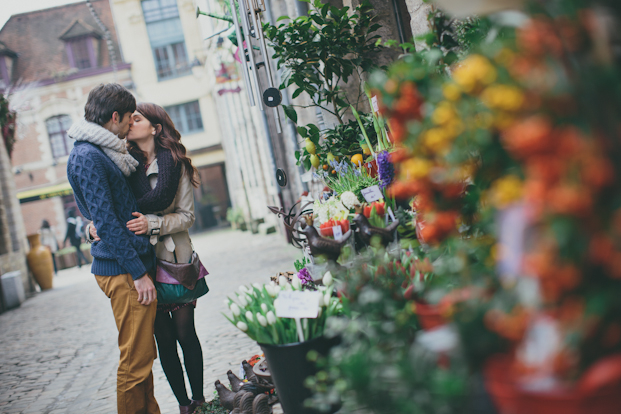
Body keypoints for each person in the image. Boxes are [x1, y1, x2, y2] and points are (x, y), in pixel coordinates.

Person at [92, 103, 205, 413]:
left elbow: (187, 216)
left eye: (137, 119)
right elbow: (106, 207)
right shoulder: (122, 165)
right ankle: (184, 406)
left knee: (185, 333)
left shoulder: (176, 164)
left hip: (175, 261)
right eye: (130, 118)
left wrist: (152, 222)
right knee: (163, 340)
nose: (130, 123)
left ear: (155, 128)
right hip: (141, 263)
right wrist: (94, 227)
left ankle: (199, 400)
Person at [66, 83, 160, 414]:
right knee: (134, 361)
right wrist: (138, 274)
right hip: (122, 270)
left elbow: (100, 214)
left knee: (143, 356)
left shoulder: (98, 151)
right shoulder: (88, 156)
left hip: (127, 266)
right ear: (114, 117)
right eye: (127, 120)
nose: (128, 128)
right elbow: (105, 224)